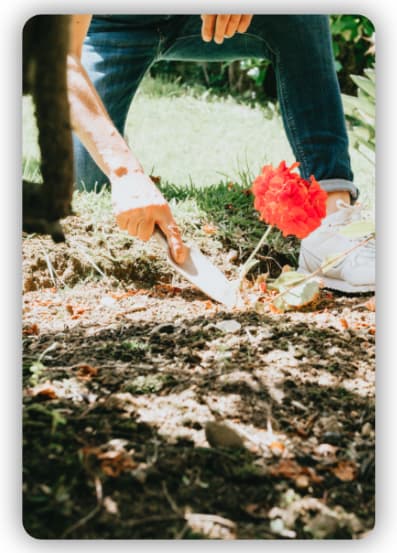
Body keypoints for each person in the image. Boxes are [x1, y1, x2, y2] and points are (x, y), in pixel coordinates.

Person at [68, 14, 375, 292]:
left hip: (195, 18)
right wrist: (125, 172)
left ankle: (332, 223)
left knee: (301, 15)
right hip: (110, 25)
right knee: (90, 179)